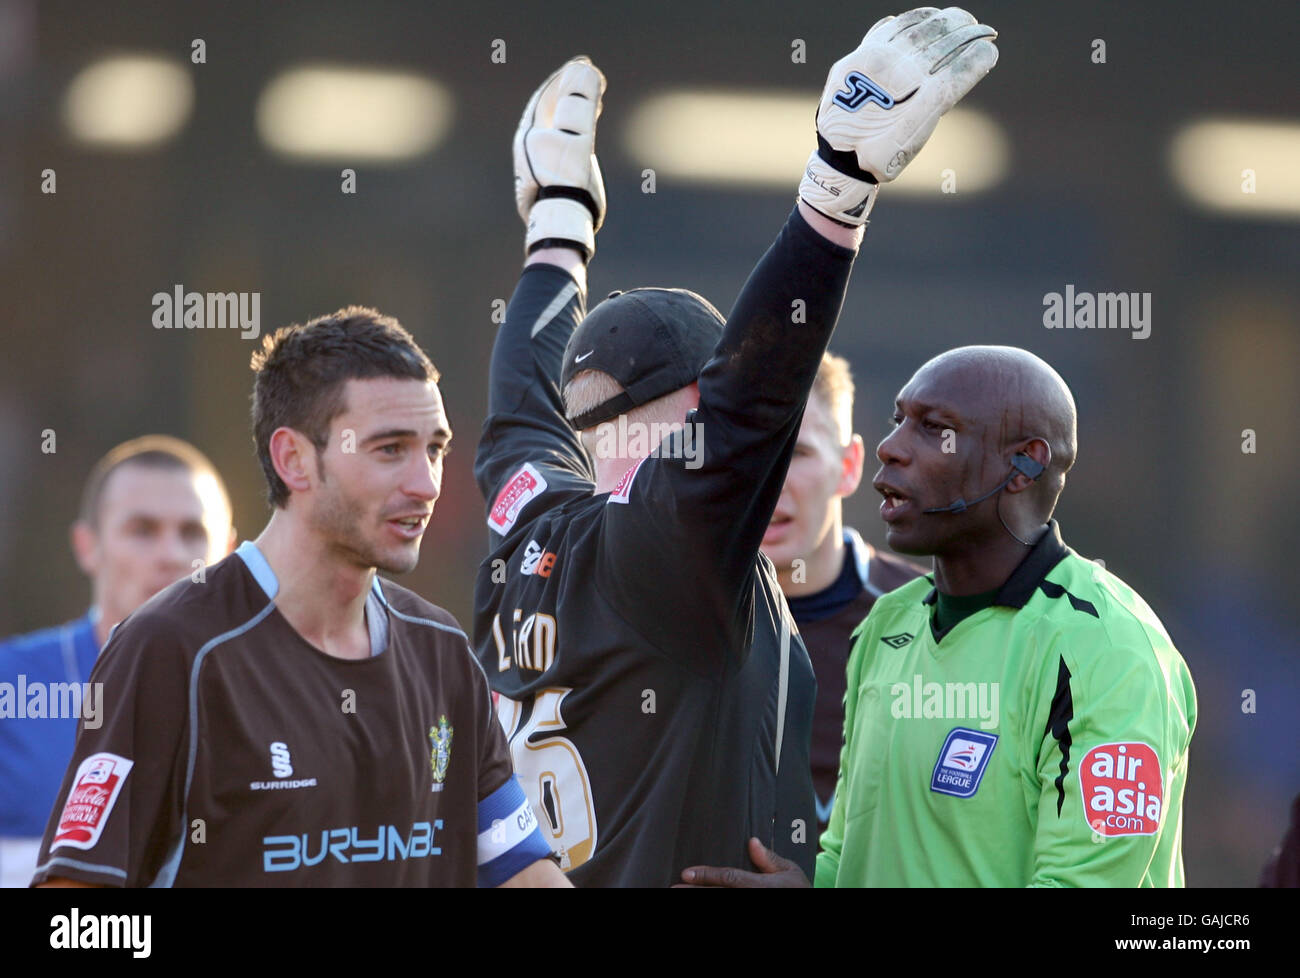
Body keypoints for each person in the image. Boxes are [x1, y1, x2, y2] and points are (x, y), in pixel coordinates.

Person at [474, 8, 997, 886]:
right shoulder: (669, 550)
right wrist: (837, 187)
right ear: (693, 412)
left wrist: (557, 229)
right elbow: (754, 393)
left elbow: (520, 396)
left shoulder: (525, 514)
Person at [32, 308, 565, 887]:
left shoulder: (442, 654)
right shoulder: (171, 649)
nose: (427, 483)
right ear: (293, 460)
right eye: (390, 449)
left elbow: (522, 873)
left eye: (434, 449)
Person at [680, 346, 1197, 887]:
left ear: (1025, 464)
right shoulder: (888, 625)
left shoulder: (1109, 649)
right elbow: (851, 855)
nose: (890, 447)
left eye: (934, 429)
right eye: (898, 420)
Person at [0, 435, 235, 888]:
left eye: (191, 532)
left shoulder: (275, 688)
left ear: (226, 551)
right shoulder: (14, 687)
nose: (170, 555)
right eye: (142, 530)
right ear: (88, 546)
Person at [762, 352, 924, 834]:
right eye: (753, 452)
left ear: (850, 465)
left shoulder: (930, 611)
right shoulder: (679, 618)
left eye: (798, 453)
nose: (771, 480)